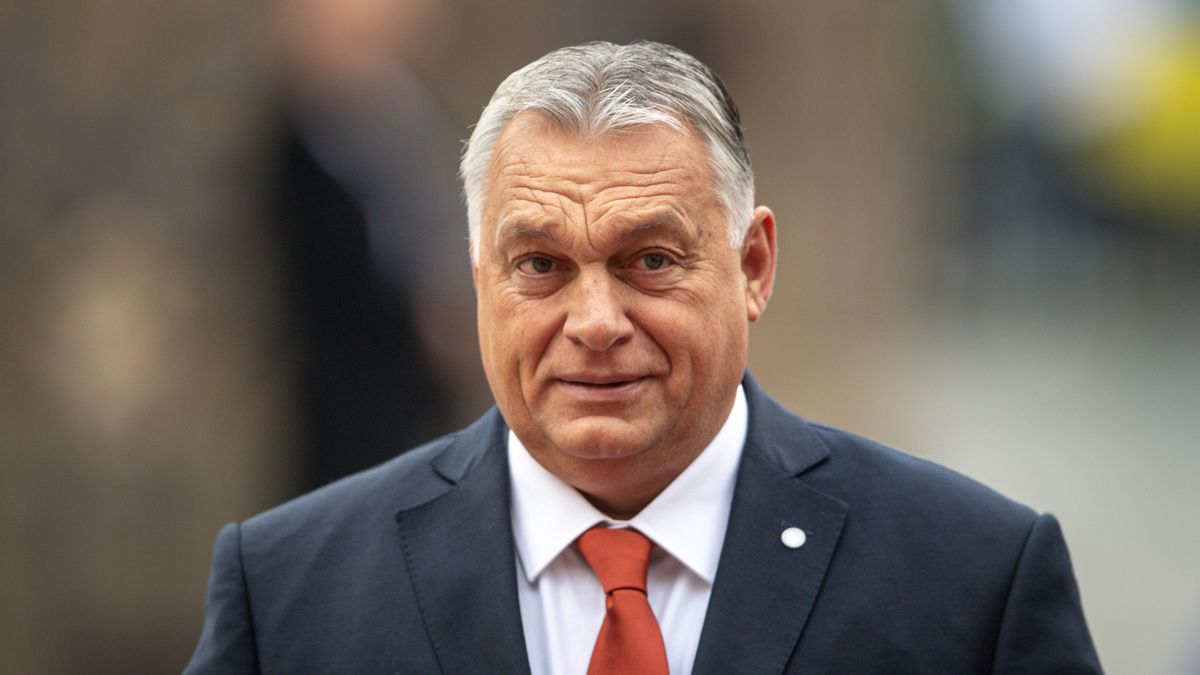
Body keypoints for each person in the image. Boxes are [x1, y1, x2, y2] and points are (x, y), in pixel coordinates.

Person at [185, 41, 1102, 673]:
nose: (594, 319)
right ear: (479, 282)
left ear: (753, 265)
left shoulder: (974, 582)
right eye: (540, 265)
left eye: (650, 261)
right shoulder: (289, 593)